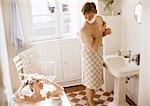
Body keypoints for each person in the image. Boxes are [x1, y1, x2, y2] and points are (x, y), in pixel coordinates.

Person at [80, 2, 111, 106]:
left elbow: (100, 36)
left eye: (91, 16)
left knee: (95, 80)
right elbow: (93, 48)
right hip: (90, 56)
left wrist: (106, 31)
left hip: (98, 54)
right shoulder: (84, 29)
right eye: (86, 17)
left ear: (95, 12)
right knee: (90, 82)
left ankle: (90, 101)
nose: (88, 18)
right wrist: (101, 31)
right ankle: (90, 103)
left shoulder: (99, 19)